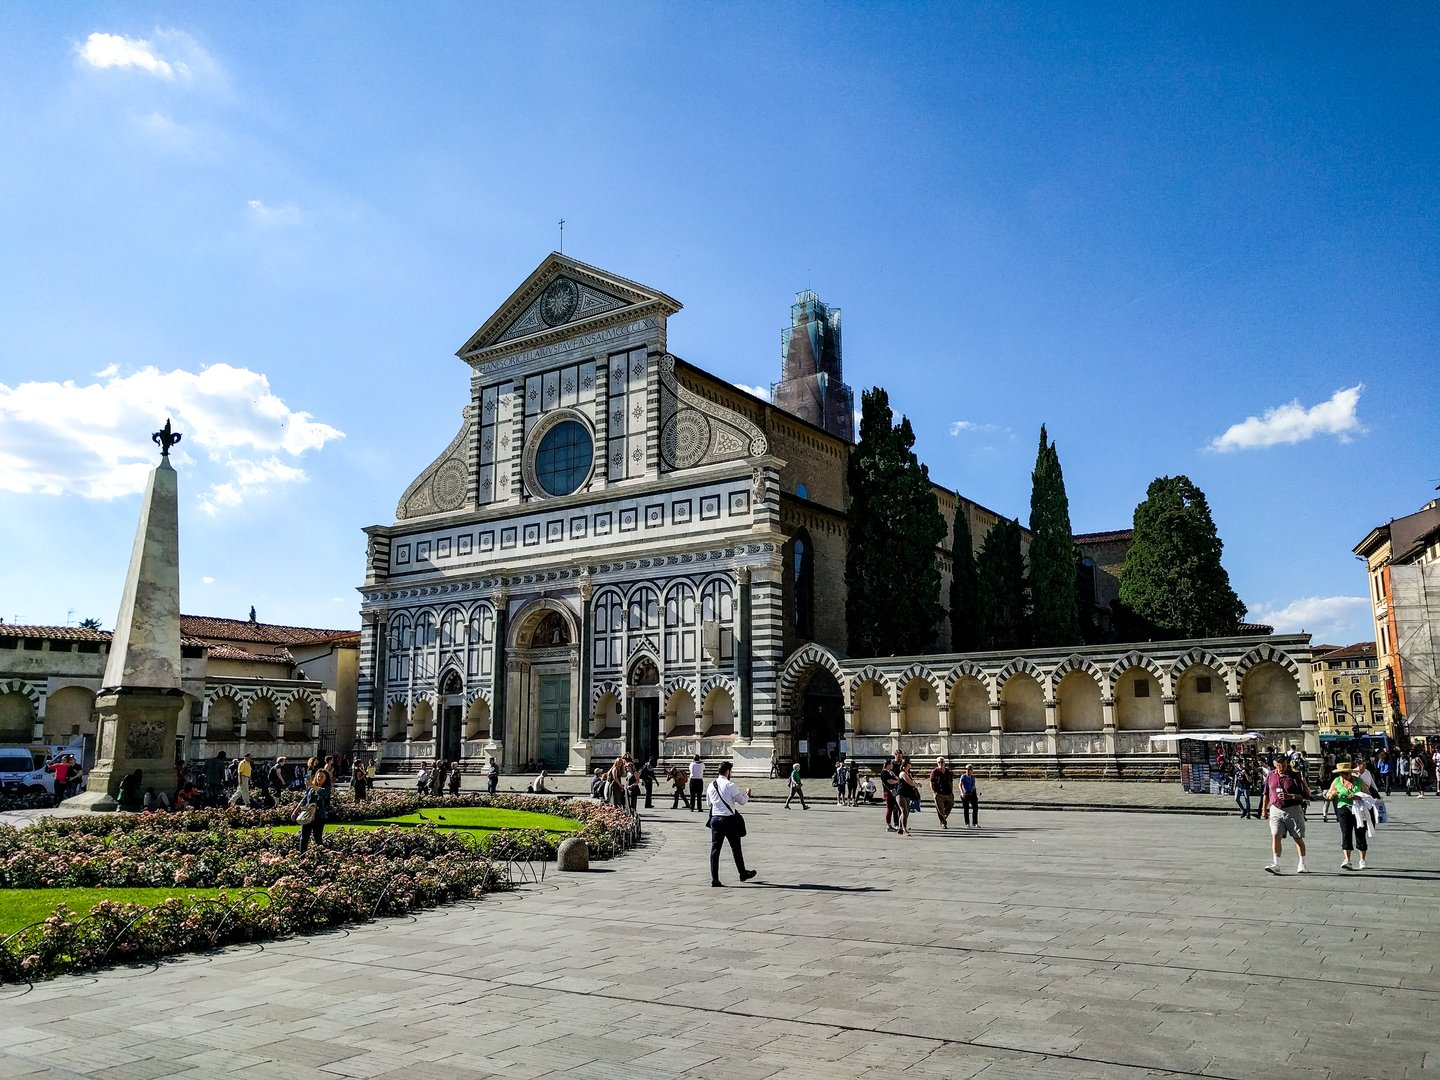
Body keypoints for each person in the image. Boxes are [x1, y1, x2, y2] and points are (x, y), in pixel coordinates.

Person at [706, 761, 757, 887]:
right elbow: (742, 802)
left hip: (715, 820)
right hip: (728, 820)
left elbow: (708, 804)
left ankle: (715, 879)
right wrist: (747, 795)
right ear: (728, 771)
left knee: (715, 850)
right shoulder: (730, 785)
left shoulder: (711, 785)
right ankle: (742, 873)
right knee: (736, 848)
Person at [1260, 754, 1309, 874]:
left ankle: (1302, 864)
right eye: (1278, 764)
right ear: (1274, 764)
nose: (1281, 766)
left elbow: (1304, 795)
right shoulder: (1271, 775)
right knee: (1275, 835)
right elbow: (1266, 792)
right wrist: (1264, 809)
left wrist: (1290, 796)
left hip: (1292, 809)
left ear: (1287, 763)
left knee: (1297, 837)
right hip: (1276, 809)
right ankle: (1276, 863)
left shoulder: (1294, 776)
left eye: (1283, 763)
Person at [1325, 763, 1369, 871]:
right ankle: (1347, 860)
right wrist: (1332, 794)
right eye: (1342, 774)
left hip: (1358, 809)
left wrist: (1357, 796)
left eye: (1346, 773)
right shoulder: (1336, 781)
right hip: (1343, 808)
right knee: (1346, 833)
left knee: (1360, 833)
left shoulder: (1358, 781)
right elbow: (1328, 795)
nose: (1344, 776)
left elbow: (1368, 794)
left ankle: (1362, 859)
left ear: (1350, 772)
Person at [296, 769, 331, 853]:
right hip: (308, 815)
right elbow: (304, 800)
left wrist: (311, 784)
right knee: (304, 837)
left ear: (326, 778)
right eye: (318, 776)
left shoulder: (326, 788)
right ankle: (302, 856)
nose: (319, 778)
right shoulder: (311, 788)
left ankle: (322, 857)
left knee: (318, 839)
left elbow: (321, 792)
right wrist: (295, 811)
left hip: (319, 816)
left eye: (322, 777)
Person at [895, 760, 920, 836]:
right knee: (904, 812)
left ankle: (900, 828)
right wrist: (917, 785)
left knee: (905, 812)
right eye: (909, 763)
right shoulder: (902, 773)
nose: (911, 764)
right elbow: (910, 783)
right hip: (901, 795)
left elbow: (912, 782)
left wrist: (915, 784)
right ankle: (904, 830)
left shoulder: (908, 774)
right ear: (905, 765)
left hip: (907, 795)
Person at [929, 757, 954, 828]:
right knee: (940, 809)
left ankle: (943, 817)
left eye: (942, 762)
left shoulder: (948, 772)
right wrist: (934, 792)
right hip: (939, 793)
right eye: (939, 762)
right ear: (937, 763)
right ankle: (943, 823)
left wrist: (951, 791)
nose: (941, 763)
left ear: (944, 763)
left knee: (950, 805)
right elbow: (931, 782)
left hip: (948, 793)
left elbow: (951, 782)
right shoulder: (934, 772)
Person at [880, 754, 900, 831]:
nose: (892, 765)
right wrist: (897, 781)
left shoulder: (890, 772)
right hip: (888, 792)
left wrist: (895, 776)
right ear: (888, 765)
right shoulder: (884, 773)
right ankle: (888, 825)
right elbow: (890, 781)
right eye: (891, 764)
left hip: (893, 791)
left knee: (895, 807)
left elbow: (896, 778)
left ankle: (896, 823)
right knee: (889, 808)